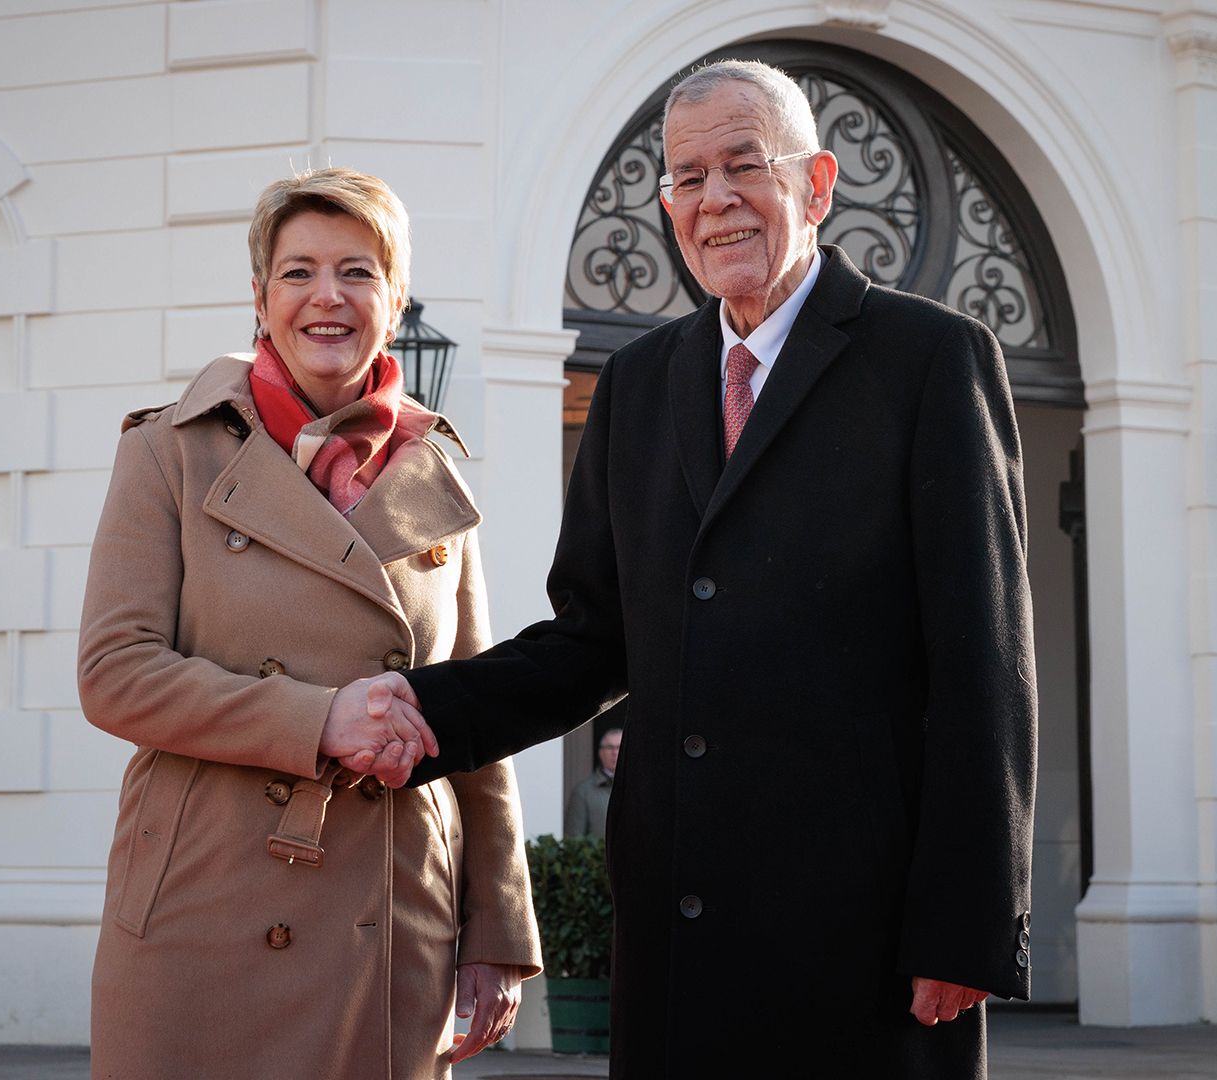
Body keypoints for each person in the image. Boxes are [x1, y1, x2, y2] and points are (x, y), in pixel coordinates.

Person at [330, 59, 1036, 1077]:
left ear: (817, 184)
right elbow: (591, 640)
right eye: (688, 177)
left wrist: (967, 922)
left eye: (745, 165)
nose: (715, 200)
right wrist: (425, 711)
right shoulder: (637, 382)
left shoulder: (931, 359)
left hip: (865, 940)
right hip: (678, 927)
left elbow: (986, 663)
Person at [76, 168, 540, 1079]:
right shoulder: (169, 451)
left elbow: (477, 712)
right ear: (260, 298)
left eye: (358, 272)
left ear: (395, 302)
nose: (328, 296)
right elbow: (114, 672)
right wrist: (317, 720)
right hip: (204, 903)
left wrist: (498, 929)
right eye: (299, 272)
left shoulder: (433, 470)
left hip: (392, 906)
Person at [565, 726, 621, 838]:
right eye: (610, 747)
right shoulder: (583, 792)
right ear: (601, 752)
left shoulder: (640, 790)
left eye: (620, 747)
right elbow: (574, 840)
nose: (615, 752)